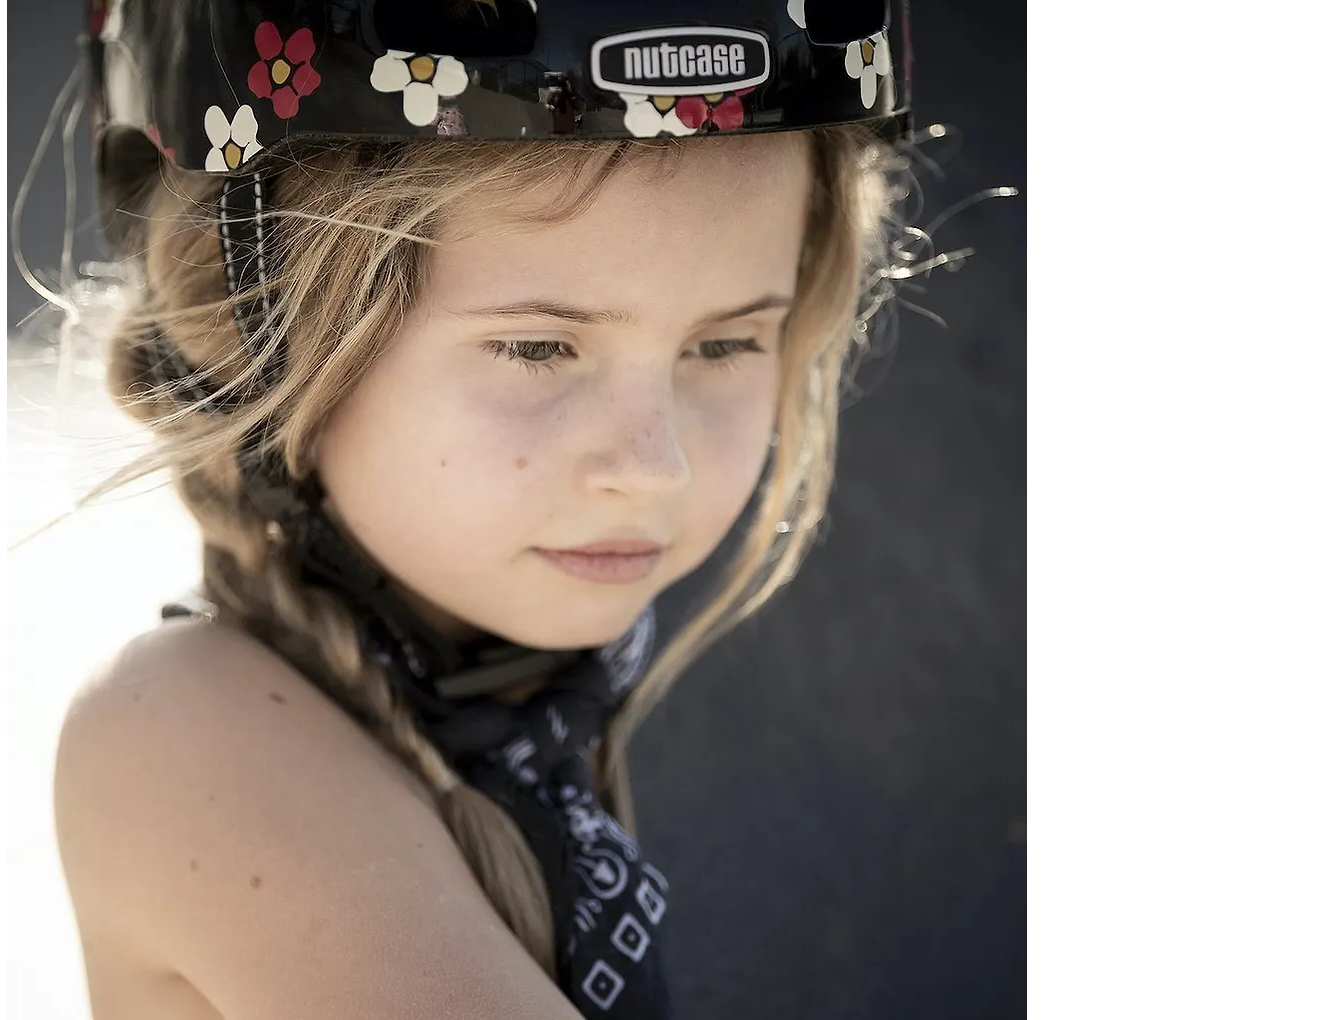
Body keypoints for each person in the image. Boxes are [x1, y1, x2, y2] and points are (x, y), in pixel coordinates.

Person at [49, 1, 921, 1017]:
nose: (656, 468)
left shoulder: (557, 714)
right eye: (538, 347)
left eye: (723, 345)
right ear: (259, 337)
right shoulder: (187, 738)